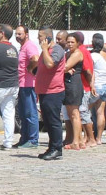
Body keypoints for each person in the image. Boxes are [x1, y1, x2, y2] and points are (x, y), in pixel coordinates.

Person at [33, 28, 66, 160]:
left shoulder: (56, 49)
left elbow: (50, 64)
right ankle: (51, 146)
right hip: (44, 91)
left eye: (40, 36)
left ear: (48, 37)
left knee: (53, 121)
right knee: (47, 121)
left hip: (54, 91)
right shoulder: (45, 51)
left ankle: (57, 148)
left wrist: (45, 49)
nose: (38, 39)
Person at [13, 25, 40, 149]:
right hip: (22, 85)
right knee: (23, 114)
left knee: (30, 113)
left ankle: (33, 140)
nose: (18, 36)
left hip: (29, 85)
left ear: (27, 34)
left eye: (20, 34)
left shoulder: (30, 46)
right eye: (16, 34)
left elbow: (35, 59)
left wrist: (30, 68)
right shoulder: (22, 47)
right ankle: (24, 138)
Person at [61, 32, 87, 150]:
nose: (70, 44)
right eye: (68, 42)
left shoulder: (77, 54)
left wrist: (65, 69)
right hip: (68, 83)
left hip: (74, 84)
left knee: (75, 113)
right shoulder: (69, 53)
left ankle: (75, 142)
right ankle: (79, 140)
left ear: (77, 43)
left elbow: (64, 67)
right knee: (71, 113)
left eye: (72, 42)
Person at [89, 33, 106, 146]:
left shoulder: (93, 56)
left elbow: (90, 71)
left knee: (85, 112)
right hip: (105, 85)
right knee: (101, 113)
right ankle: (99, 138)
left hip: (96, 86)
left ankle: (89, 137)